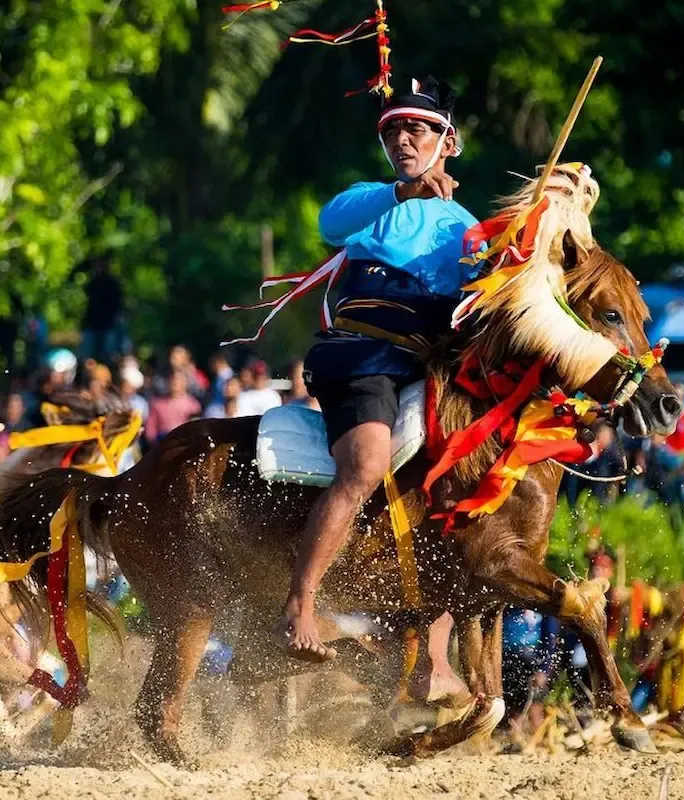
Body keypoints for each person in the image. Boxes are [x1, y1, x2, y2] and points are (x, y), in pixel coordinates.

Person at [282, 77, 478, 665]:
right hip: (359, 355)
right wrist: (405, 191)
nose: (401, 139)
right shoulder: (373, 200)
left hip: (425, 368)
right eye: (392, 131)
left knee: (460, 488)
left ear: (448, 142)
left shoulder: (472, 228)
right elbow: (329, 223)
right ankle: (300, 601)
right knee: (366, 465)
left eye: (416, 128)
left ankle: (433, 657)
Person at [144, 371, 201, 445]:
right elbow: (150, 430)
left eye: (178, 380)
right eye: (172, 379)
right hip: (162, 444)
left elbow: (196, 429)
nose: (174, 382)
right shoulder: (157, 403)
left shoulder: (193, 405)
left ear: (185, 383)